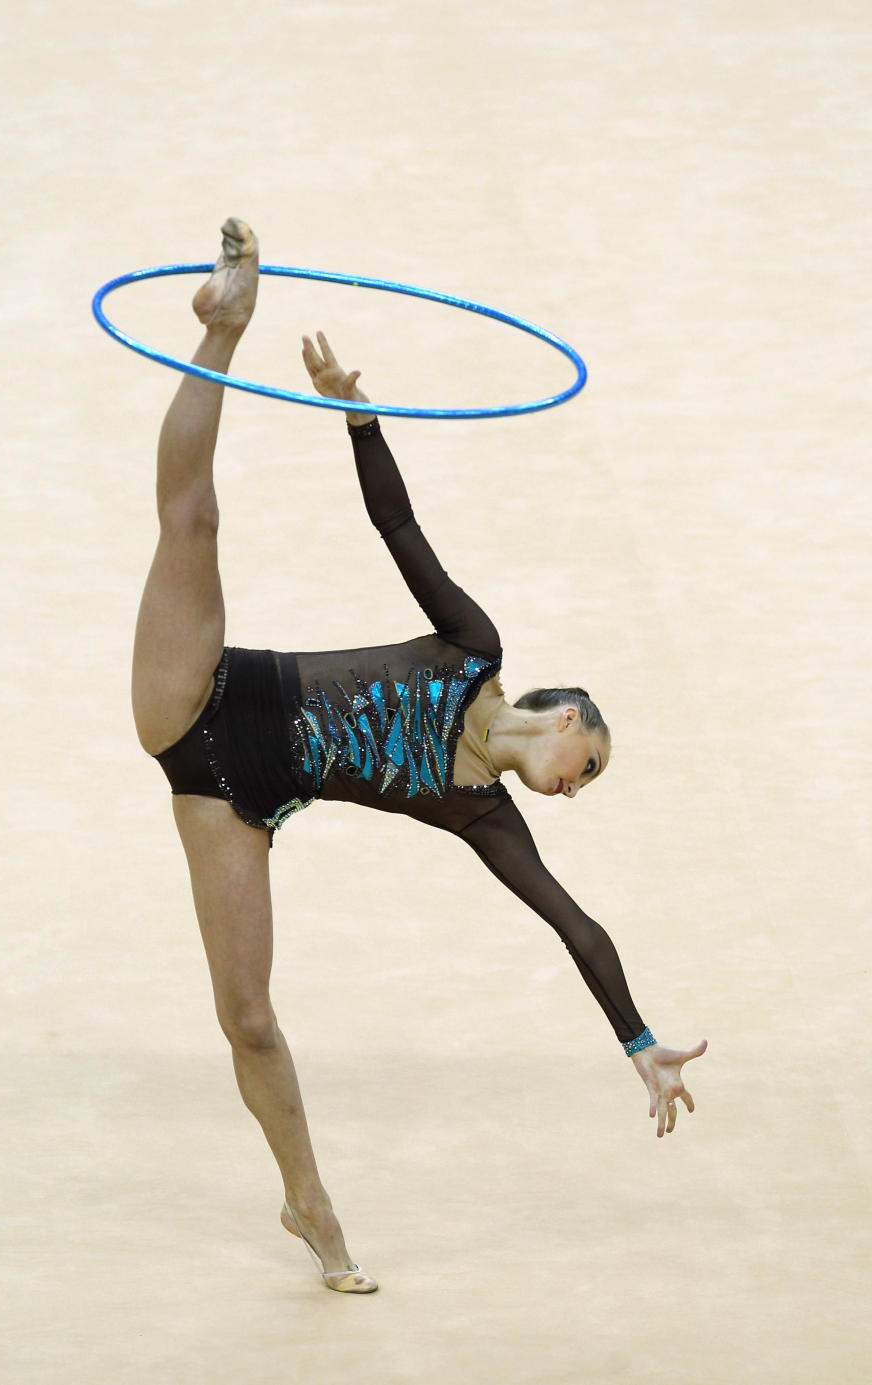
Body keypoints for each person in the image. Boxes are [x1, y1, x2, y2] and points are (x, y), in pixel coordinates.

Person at [131, 217, 708, 1295]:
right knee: (192, 519)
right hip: (204, 686)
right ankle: (224, 326)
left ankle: (308, 1199)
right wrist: (359, 417)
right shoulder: (472, 651)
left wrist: (639, 1041)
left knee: (249, 1017)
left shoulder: (483, 811)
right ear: (569, 719)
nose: (578, 791)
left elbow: (577, 923)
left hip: (233, 798)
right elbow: (403, 534)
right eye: (592, 767)